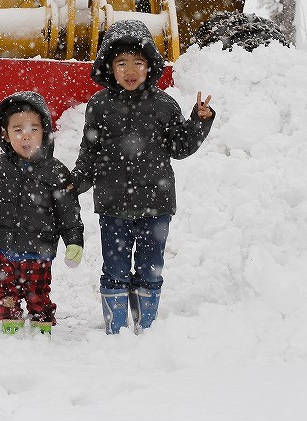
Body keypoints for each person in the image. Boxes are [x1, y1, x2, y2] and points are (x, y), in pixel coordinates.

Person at [70, 20, 215, 335]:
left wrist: (199, 121)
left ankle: (145, 327)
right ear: (110, 66)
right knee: (115, 269)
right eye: (121, 62)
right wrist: (75, 183)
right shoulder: (99, 106)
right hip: (112, 205)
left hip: (156, 204)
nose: (130, 69)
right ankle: (117, 328)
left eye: (138, 62)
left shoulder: (163, 105)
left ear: (150, 66)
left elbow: (180, 147)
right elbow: (89, 153)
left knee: (150, 269)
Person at [0, 91, 84, 336]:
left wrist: (74, 242)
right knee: (6, 293)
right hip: (2, 249)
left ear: (44, 132)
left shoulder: (55, 172)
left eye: (34, 129)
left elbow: (68, 212)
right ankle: (10, 330)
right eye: (18, 129)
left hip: (39, 250)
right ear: (5, 134)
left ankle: (41, 331)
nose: (27, 136)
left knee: (38, 294)